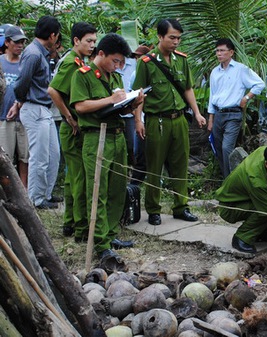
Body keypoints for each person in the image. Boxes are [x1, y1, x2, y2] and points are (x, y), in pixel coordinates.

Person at [70, 33, 143, 261]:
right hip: (96, 137)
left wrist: (133, 103)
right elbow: (81, 106)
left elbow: (118, 107)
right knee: (98, 190)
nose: (119, 65)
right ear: (100, 54)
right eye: (115, 60)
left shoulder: (114, 77)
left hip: (118, 135)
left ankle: (111, 235)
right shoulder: (82, 75)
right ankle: (100, 241)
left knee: (116, 189)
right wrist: (111, 100)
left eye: (121, 62)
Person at [133, 19, 206, 226]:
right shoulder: (146, 62)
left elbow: (187, 89)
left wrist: (197, 113)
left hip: (179, 119)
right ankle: (154, 210)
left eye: (178, 38)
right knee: (154, 165)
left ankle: (181, 206)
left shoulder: (181, 60)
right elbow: (140, 94)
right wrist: (139, 120)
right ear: (160, 37)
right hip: (158, 121)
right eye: (172, 37)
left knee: (180, 165)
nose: (176, 42)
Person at [48, 22, 97, 240]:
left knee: (72, 179)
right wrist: (68, 117)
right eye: (89, 41)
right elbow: (52, 90)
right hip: (72, 128)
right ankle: (80, 228)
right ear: (76, 40)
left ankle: (69, 223)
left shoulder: (79, 61)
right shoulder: (70, 62)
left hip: (74, 127)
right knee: (79, 179)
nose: (92, 45)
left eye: (95, 41)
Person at [13, 16, 62, 209]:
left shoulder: (41, 53)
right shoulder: (33, 53)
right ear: (52, 35)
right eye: (57, 36)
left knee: (53, 154)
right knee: (39, 156)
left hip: (44, 108)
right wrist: (21, 100)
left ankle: (46, 193)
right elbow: (21, 83)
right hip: (34, 107)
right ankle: (35, 198)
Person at [207, 37, 265, 177]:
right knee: (218, 148)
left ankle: (231, 180)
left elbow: (259, 84)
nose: (219, 54)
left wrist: (246, 97)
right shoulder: (215, 72)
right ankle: (227, 179)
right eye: (217, 51)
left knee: (227, 147)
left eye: (222, 51)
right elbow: (212, 95)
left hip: (233, 114)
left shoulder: (241, 69)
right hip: (218, 113)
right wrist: (210, 118)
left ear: (231, 52)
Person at [0, 25, 28, 188]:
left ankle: (24, 192)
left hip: (23, 117)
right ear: (7, 42)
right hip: (3, 117)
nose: (20, 46)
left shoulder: (25, 62)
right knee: (6, 158)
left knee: (25, 157)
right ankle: (7, 192)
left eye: (22, 42)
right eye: (17, 42)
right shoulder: (1, 62)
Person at [128, 45, 151, 185]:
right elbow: (134, 96)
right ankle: (134, 186)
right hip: (140, 119)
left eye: (140, 57)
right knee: (140, 155)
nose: (138, 60)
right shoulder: (134, 74)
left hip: (151, 118)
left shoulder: (151, 71)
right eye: (136, 57)